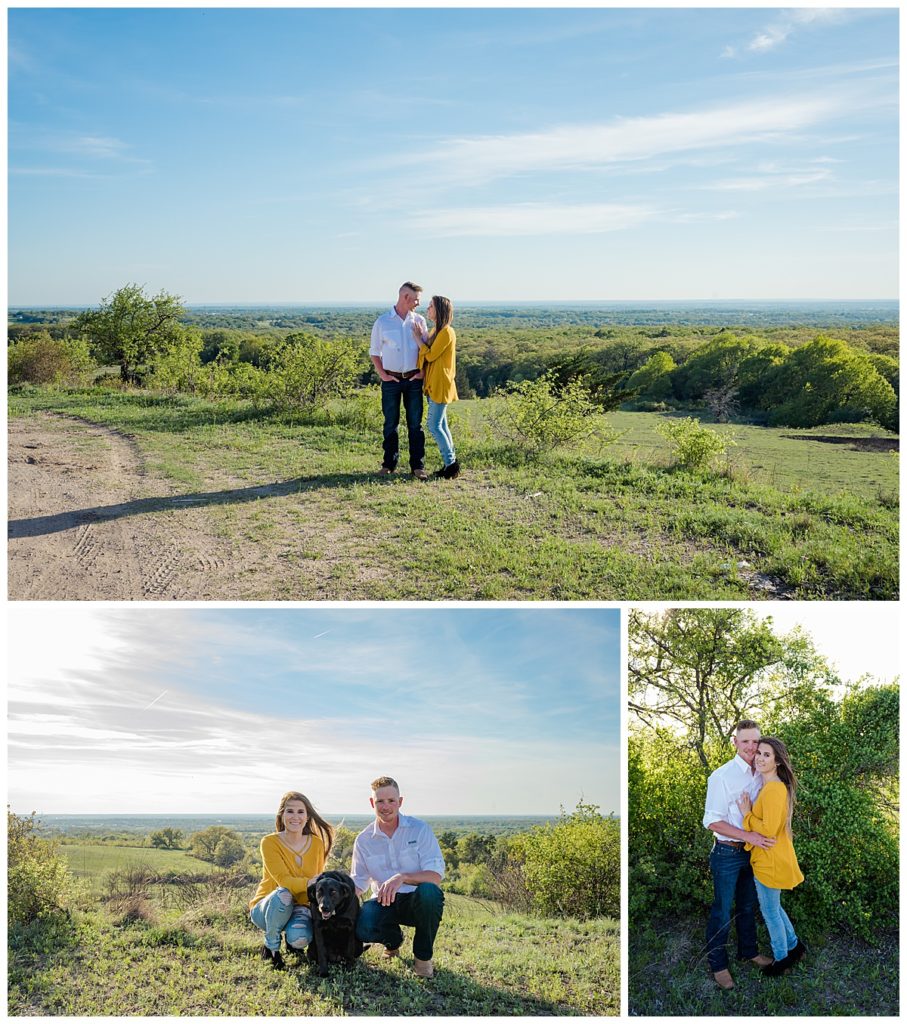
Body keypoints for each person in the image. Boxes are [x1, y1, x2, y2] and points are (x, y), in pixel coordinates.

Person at [702, 719, 775, 990]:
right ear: (735, 742)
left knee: (747, 905)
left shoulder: (762, 771)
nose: (751, 747)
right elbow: (712, 821)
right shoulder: (722, 776)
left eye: (756, 741)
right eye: (745, 741)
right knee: (722, 910)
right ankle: (718, 965)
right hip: (727, 852)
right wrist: (750, 836)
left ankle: (749, 951)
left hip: (752, 853)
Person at [351, 776, 445, 978]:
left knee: (430, 892)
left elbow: (435, 876)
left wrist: (402, 877)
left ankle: (422, 958)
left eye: (391, 801)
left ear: (400, 802)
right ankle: (393, 942)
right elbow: (358, 883)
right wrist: (329, 892)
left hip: (415, 901)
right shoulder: (363, 840)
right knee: (364, 926)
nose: (386, 807)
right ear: (371, 803)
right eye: (380, 801)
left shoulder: (419, 830)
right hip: (383, 902)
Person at [737, 737, 806, 976]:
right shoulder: (769, 787)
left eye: (767, 755)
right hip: (769, 857)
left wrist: (746, 814)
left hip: (770, 861)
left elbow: (768, 829)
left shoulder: (774, 789)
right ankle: (794, 946)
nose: (760, 758)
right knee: (774, 908)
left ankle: (781, 959)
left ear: (777, 761)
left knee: (770, 912)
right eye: (759, 753)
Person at [249, 790, 334, 970]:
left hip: (300, 907)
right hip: (268, 907)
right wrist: (308, 883)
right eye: (290, 811)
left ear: (308, 816)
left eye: (300, 812)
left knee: (299, 939)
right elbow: (283, 880)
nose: (295, 817)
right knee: (284, 894)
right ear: (282, 814)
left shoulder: (316, 843)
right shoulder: (269, 842)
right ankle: (271, 949)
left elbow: (317, 882)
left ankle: (291, 940)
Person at [370, 282, 428, 479]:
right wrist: (383, 376)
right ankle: (389, 464)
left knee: (415, 425)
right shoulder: (382, 322)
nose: (419, 303)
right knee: (390, 424)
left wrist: (422, 372)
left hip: (413, 380)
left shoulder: (419, 321)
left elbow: (425, 350)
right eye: (416, 299)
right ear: (405, 297)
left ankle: (417, 466)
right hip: (390, 380)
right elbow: (374, 353)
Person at [413, 295, 460, 479]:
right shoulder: (436, 331)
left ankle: (451, 465)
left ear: (439, 310)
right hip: (434, 383)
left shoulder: (447, 332)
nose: (428, 309)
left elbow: (430, 356)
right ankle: (451, 463)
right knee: (442, 425)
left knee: (433, 426)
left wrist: (418, 339)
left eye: (431, 306)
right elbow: (427, 356)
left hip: (441, 384)